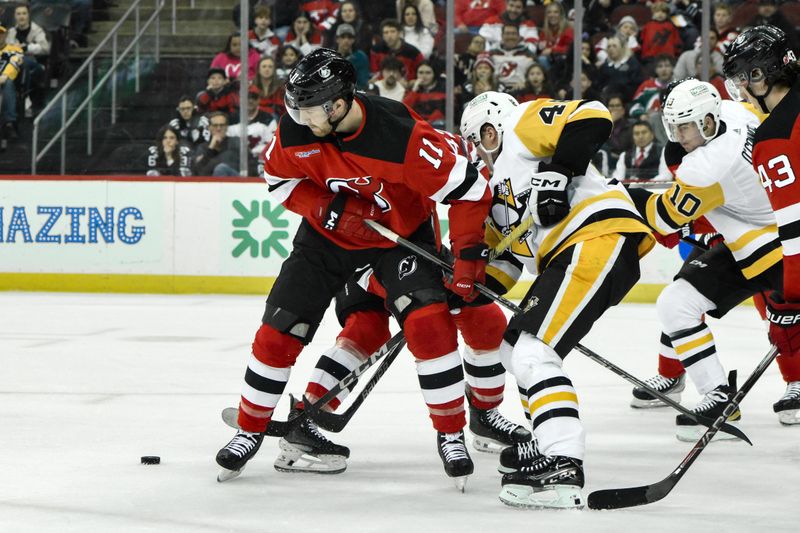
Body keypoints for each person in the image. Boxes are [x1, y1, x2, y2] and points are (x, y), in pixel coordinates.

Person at [215, 48, 492, 487]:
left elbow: (471, 190)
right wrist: (326, 209)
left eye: (308, 110)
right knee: (279, 329)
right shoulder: (295, 131)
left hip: (398, 241)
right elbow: (278, 180)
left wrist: (467, 256)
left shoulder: (402, 137)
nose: (298, 119)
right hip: (325, 240)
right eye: (296, 108)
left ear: (338, 103)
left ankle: (451, 433)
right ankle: (250, 430)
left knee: (429, 326)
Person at [460, 91, 653, 509]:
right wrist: (464, 287)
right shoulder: (497, 195)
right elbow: (507, 264)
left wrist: (560, 172)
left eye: (477, 140)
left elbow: (593, 115)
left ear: (488, 128)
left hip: (594, 236)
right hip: (568, 254)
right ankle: (547, 441)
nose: (477, 151)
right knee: (513, 351)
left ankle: (562, 458)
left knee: (533, 351)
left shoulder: (519, 127)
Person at [626, 79, 785, 439]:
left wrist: (621, 196)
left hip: (769, 249)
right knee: (676, 303)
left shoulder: (707, 166)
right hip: (762, 233)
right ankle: (717, 396)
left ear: (707, 122)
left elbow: (663, 218)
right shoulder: (734, 111)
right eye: (672, 126)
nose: (677, 135)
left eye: (684, 126)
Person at [724, 25, 800, 424]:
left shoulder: (771, 138)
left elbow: (794, 226)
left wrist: (790, 295)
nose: (740, 85)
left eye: (743, 75)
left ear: (762, 75)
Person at [6, 4, 48, 115]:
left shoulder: (37, 30)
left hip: (33, 61)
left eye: (24, 13)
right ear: (15, 16)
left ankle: (26, 98)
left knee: (25, 64)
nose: (21, 16)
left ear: (29, 15)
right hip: (14, 63)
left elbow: (45, 48)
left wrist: (26, 48)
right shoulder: (11, 32)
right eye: (18, 14)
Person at [227, 89, 278, 177]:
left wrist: (253, 152)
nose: (250, 101)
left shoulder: (268, 118)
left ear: (258, 100)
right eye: (247, 98)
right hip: (235, 160)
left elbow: (271, 144)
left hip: (258, 160)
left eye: (254, 98)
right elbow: (228, 142)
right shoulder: (232, 118)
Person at [369, 19, 424, 83]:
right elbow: (375, 72)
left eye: (392, 31)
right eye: (386, 32)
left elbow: (421, 72)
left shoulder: (413, 52)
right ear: (382, 36)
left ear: (399, 33)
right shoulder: (376, 50)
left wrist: (411, 83)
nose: (389, 36)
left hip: (406, 87)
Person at [489, 23, 537, 93]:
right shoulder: (492, 54)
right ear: (502, 36)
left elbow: (536, 74)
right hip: (497, 91)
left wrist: (526, 83)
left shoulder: (528, 55)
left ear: (518, 36)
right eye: (507, 33)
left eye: (513, 34)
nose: (510, 37)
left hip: (521, 91)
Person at [192, 111, 240, 176]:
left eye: (222, 125)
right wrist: (211, 148)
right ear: (209, 128)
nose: (218, 128)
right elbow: (197, 172)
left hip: (235, 183)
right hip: (210, 184)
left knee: (221, 169)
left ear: (226, 127)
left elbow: (250, 165)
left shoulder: (236, 142)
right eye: (215, 125)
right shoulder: (202, 148)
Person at [403, 61, 445, 127]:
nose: (424, 76)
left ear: (434, 74)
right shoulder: (412, 90)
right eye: (420, 73)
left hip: (436, 125)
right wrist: (414, 91)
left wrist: (425, 124)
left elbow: (441, 112)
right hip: (416, 124)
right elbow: (404, 108)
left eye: (428, 73)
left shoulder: (443, 89)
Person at [0, 25, 23, 141]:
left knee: (8, 83)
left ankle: (10, 123)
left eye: (1, 33)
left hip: (5, 80)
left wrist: (5, 75)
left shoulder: (15, 49)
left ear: (6, 34)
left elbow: (15, 63)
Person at [334, 23, 370, 90]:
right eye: (343, 37)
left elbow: (363, 83)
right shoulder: (331, 57)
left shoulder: (361, 57)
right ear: (337, 39)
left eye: (349, 37)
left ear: (353, 40)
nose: (346, 40)